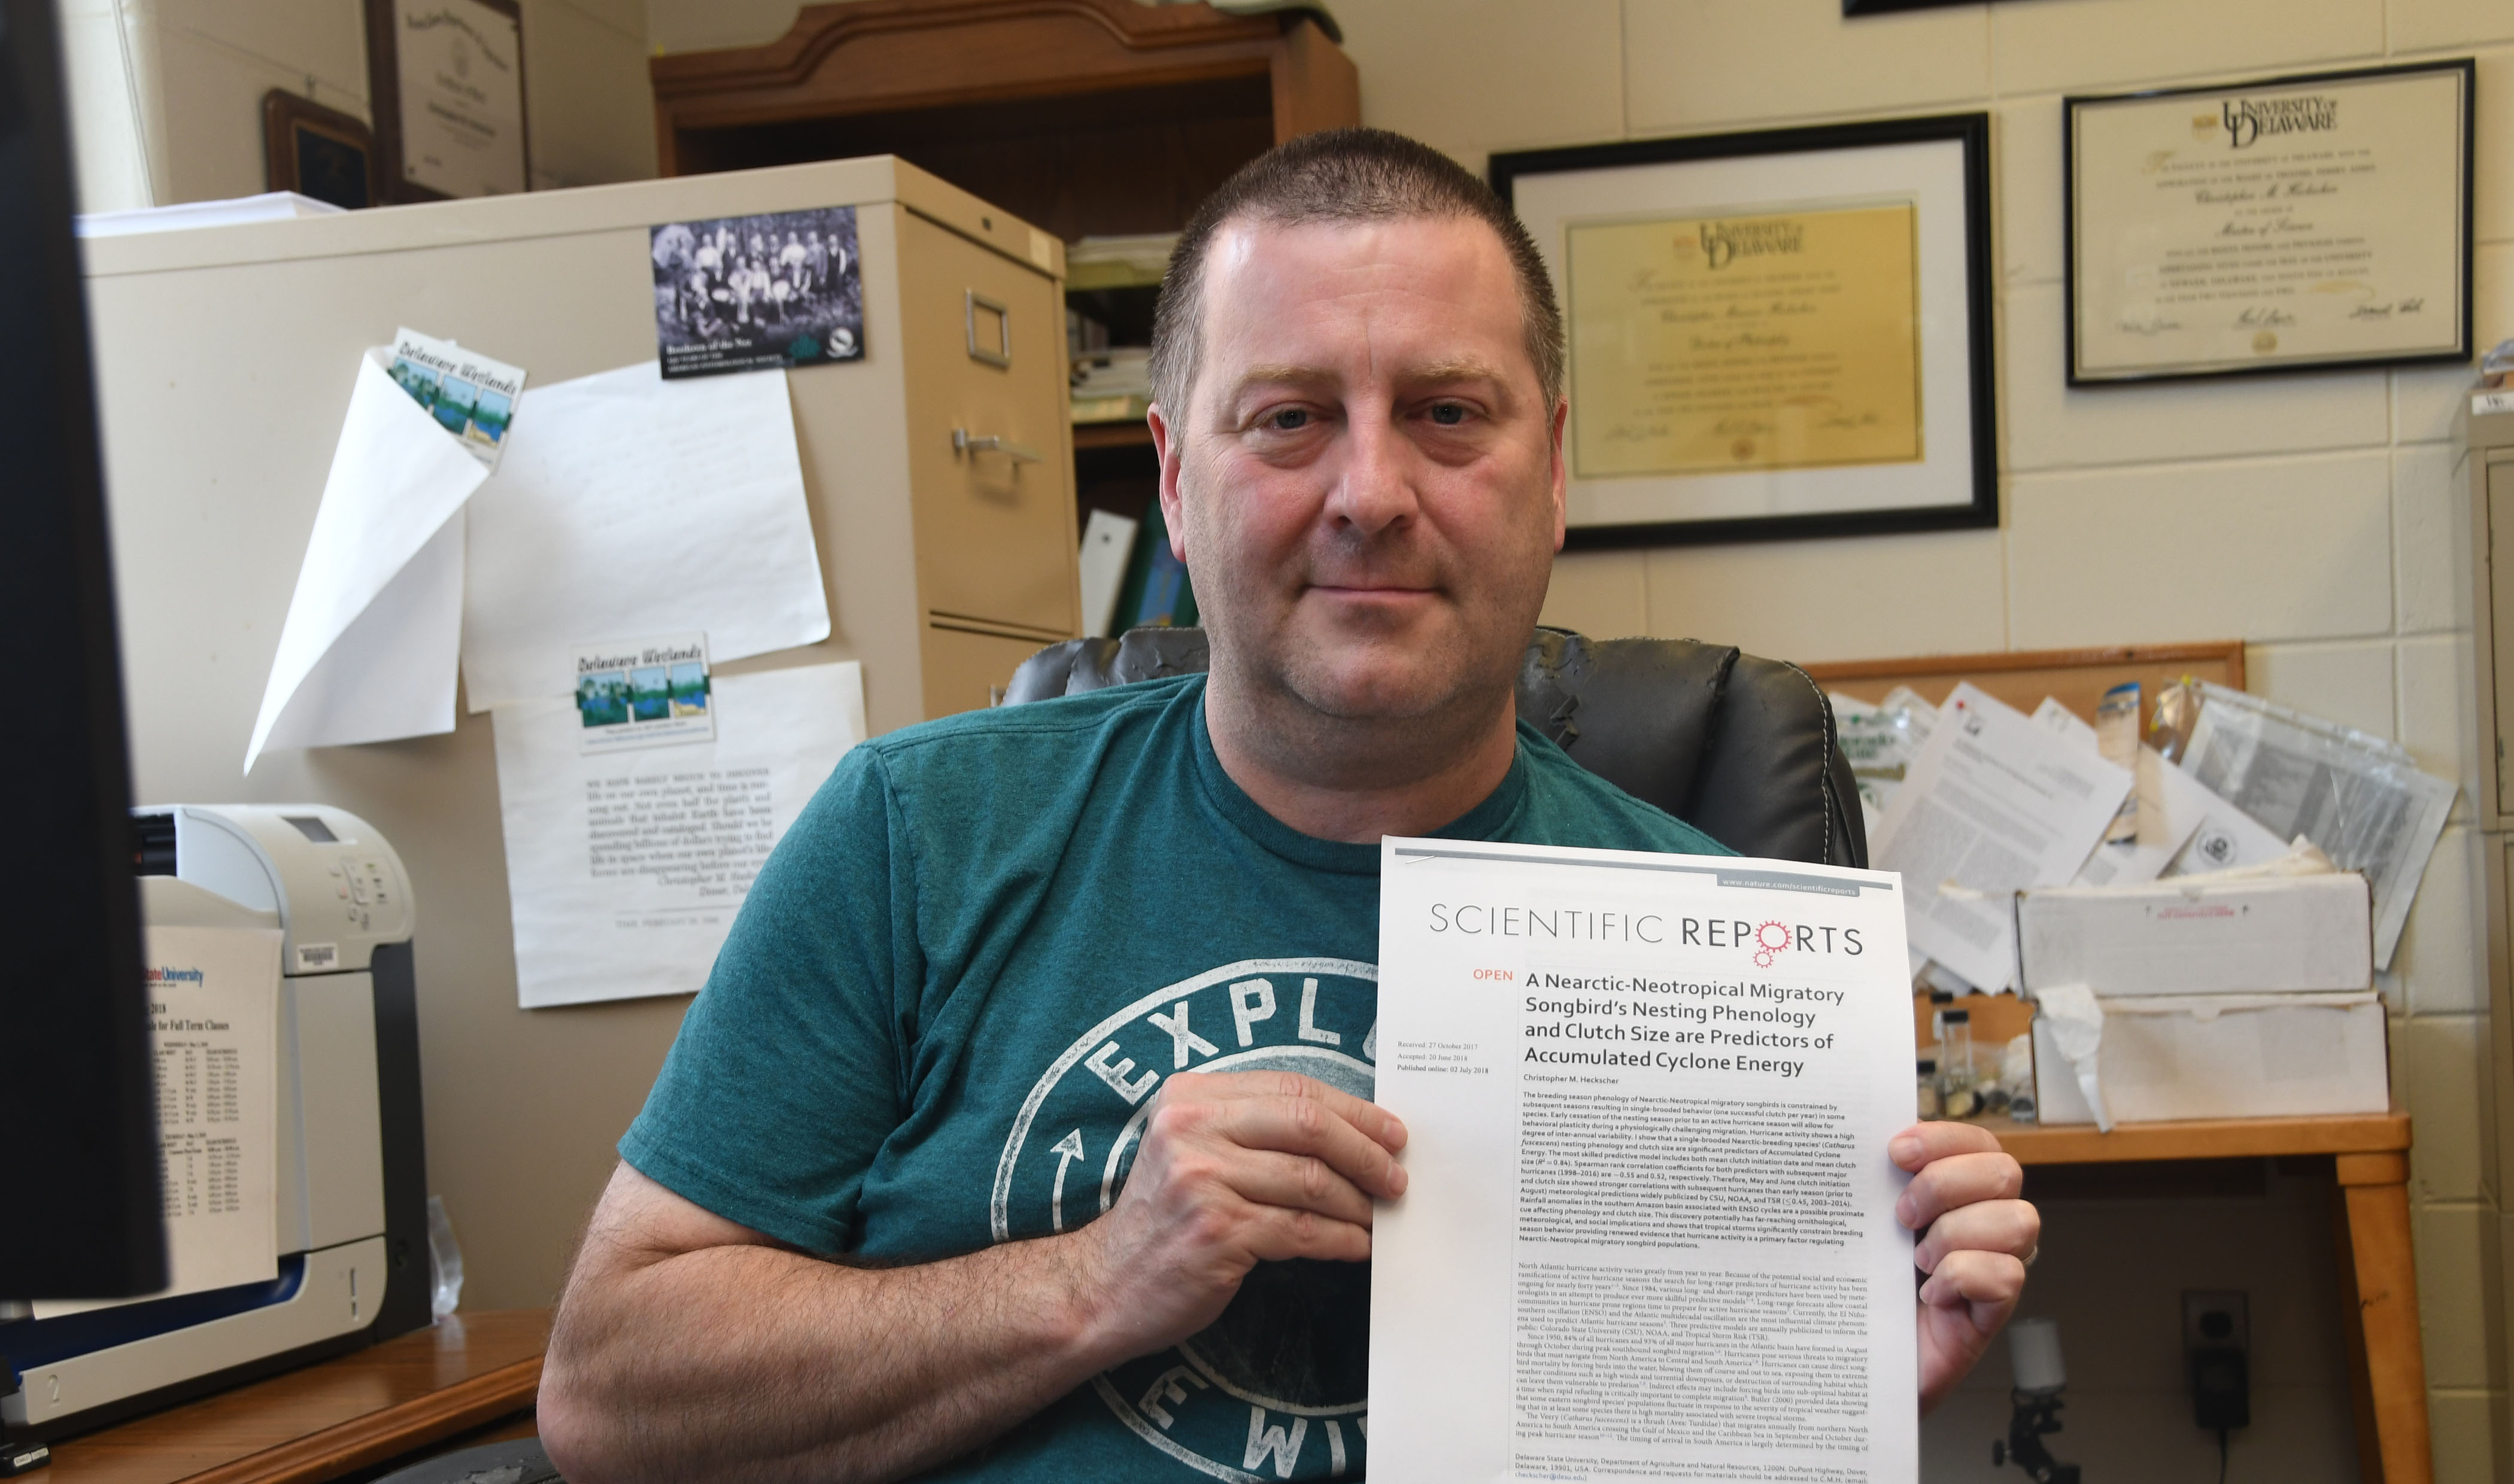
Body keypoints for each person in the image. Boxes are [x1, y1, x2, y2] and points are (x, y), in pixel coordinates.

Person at [539, 128, 2037, 1484]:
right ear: (1177, 485)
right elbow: (609, 1402)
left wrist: (1824, 1401)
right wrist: (1093, 1282)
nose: (1371, 490)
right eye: (1290, 419)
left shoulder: (1718, 944)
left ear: (1557, 473)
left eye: (1449, 413)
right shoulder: (914, 839)